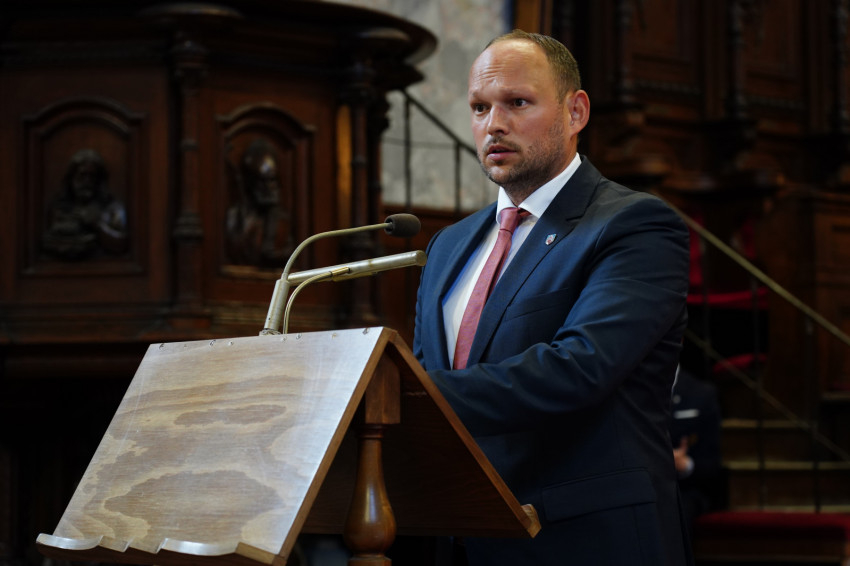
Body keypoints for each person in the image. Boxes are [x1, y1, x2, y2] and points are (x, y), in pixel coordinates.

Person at [412, 30, 693, 565]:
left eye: (517, 103)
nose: (493, 124)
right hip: (460, 537)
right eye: (479, 107)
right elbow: (432, 377)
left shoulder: (634, 225)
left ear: (575, 111)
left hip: (584, 541)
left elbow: (580, 368)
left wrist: (403, 393)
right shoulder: (447, 245)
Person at [42, 148, 128, 259]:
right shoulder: (58, 206)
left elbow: (121, 244)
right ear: (71, 178)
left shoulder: (113, 208)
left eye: (92, 176)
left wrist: (97, 225)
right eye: (82, 175)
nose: (87, 181)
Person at [671, 367, 725, 534]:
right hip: (645, 483)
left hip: (686, 488)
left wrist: (685, 464)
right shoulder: (633, 389)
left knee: (675, 510)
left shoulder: (701, 393)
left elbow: (713, 462)